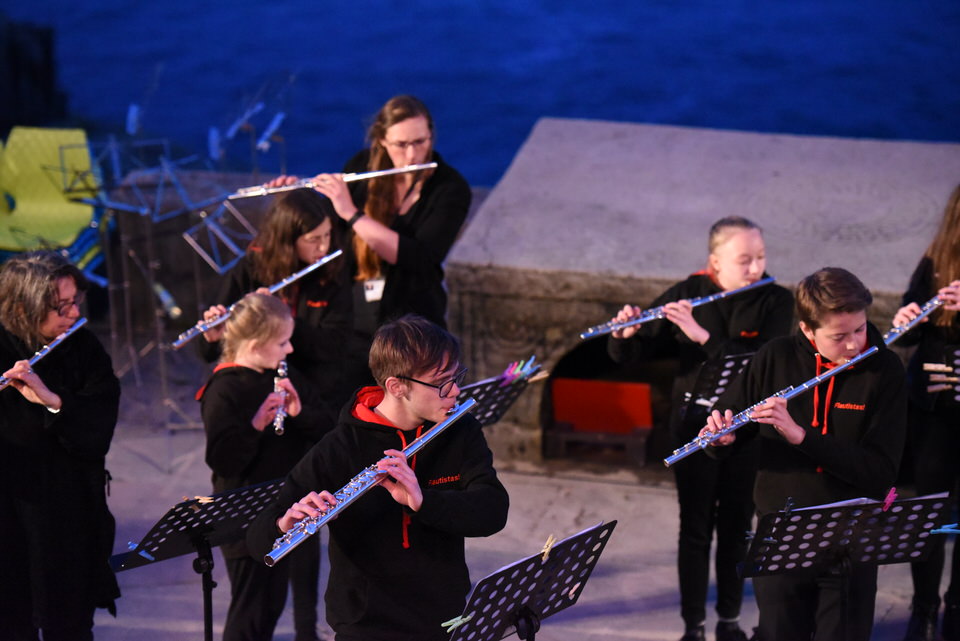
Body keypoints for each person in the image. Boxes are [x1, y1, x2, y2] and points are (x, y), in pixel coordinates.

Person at [247, 314, 509, 641]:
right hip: (365, 625)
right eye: (442, 382)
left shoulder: (460, 430)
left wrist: (423, 501)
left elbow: (493, 511)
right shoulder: (341, 447)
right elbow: (257, 540)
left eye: (456, 376)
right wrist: (285, 523)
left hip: (442, 618)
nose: (455, 390)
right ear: (396, 386)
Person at [607, 216, 793, 641]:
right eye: (744, 260)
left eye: (761, 257)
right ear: (715, 262)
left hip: (747, 430)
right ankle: (693, 626)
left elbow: (764, 363)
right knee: (694, 529)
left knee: (736, 527)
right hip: (693, 428)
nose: (756, 268)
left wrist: (701, 335)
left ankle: (729, 620)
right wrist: (625, 334)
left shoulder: (775, 300)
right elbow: (627, 354)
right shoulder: (689, 292)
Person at [702, 266, 907, 641]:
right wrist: (721, 440)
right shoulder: (775, 357)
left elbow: (880, 472)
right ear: (807, 330)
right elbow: (732, 422)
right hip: (782, 531)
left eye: (860, 329)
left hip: (850, 536)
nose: (854, 345)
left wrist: (801, 437)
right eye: (839, 336)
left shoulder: (885, 370)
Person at [198, 292, 339, 641]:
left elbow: (328, 428)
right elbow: (223, 461)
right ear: (255, 345)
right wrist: (255, 426)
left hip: (279, 512)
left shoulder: (281, 374)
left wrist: (299, 413)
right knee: (249, 614)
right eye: (282, 343)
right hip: (241, 520)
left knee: (270, 608)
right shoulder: (223, 389)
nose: (289, 349)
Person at [0, 250, 121, 640]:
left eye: (75, 301)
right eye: (60, 307)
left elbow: (100, 425)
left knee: (69, 625)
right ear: (23, 308)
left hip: (68, 515)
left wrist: (53, 400)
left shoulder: (82, 348)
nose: (73, 314)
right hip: (9, 515)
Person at [200, 188, 352, 403]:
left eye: (327, 235)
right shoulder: (252, 267)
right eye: (313, 239)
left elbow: (335, 346)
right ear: (288, 240)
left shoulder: (332, 272)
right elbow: (208, 354)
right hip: (256, 387)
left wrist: (281, 318)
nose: (323, 247)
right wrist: (215, 338)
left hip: (315, 391)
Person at [892, 183, 960, 641]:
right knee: (930, 512)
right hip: (935, 408)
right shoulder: (936, 260)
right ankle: (924, 608)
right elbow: (910, 329)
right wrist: (908, 320)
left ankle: (957, 606)